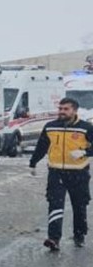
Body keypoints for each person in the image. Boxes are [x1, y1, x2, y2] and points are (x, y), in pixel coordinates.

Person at [29, 97, 93, 251]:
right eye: (60, 109)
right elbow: (42, 146)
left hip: (79, 173)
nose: (62, 112)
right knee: (55, 204)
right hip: (56, 173)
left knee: (79, 205)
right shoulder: (51, 126)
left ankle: (79, 234)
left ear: (74, 111)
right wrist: (33, 162)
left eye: (66, 109)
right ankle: (54, 238)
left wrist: (84, 152)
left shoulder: (86, 128)